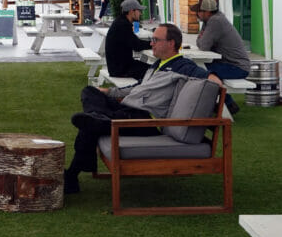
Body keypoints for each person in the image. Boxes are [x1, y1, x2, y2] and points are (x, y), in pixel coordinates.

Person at [63, 23, 220, 194]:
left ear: (171, 43)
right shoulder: (156, 65)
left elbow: (214, 81)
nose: (151, 43)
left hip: (145, 119)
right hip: (127, 109)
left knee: (88, 126)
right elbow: (138, 87)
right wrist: (109, 91)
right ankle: (99, 119)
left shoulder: (183, 67)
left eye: (156, 40)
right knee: (89, 91)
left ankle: (72, 175)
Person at [191, 0, 249, 115]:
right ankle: (225, 103)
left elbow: (203, 45)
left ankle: (227, 103)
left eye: (199, 11)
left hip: (237, 67)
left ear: (207, 12)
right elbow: (202, 42)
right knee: (201, 69)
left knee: (200, 71)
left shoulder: (215, 21)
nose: (196, 14)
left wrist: (201, 38)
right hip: (233, 64)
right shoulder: (212, 20)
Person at [105, 0, 151, 82]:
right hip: (120, 69)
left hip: (119, 66)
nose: (140, 13)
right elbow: (137, 46)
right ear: (131, 11)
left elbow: (134, 42)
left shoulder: (120, 22)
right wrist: (153, 43)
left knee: (152, 69)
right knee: (154, 71)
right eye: (139, 10)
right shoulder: (123, 25)